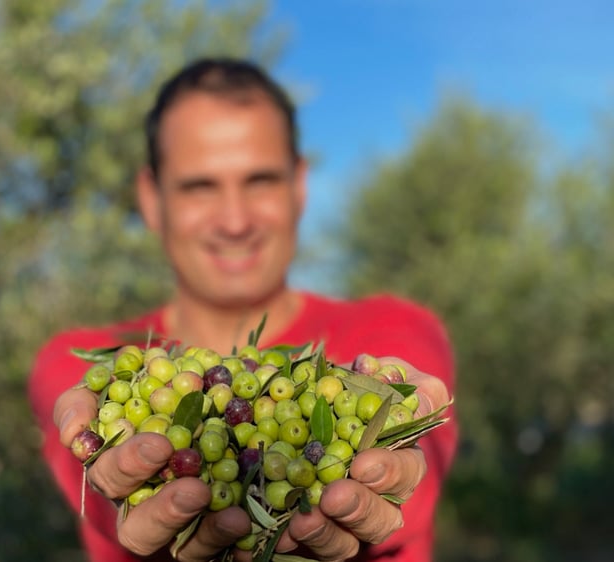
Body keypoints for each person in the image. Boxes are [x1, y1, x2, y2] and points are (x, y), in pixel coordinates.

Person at [29, 57, 458, 562]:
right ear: (151, 198)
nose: (234, 221)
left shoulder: (394, 327)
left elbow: (421, 461)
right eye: (199, 186)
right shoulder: (82, 362)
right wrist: (115, 477)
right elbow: (86, 464)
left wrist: (404, 451)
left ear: (299, 186)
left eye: (260, 181)